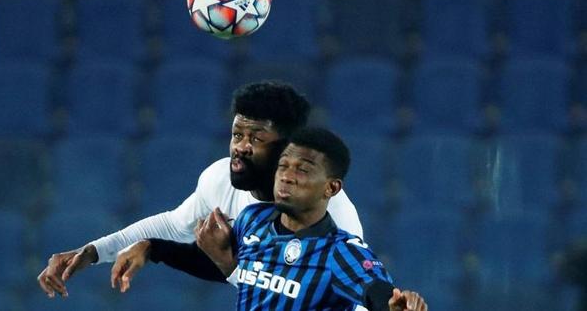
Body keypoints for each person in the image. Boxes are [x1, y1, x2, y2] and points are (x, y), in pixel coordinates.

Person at [37, 81, 363, 298]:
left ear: (287, 147)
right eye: (237, 135)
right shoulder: (219, 180)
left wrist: (226, 265)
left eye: (257, 138)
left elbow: (349, 297)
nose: (241, 148)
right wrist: (92, 252)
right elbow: (174, 225)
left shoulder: (331, 215)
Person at [112, 127, 427, 310]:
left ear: (331, 187)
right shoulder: (253, 220)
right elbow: (220, 263)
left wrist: (395, 306)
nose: (287, 177)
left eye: (302, 169)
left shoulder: (341, 252)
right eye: (283, 166)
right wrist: (152, 248)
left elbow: (376, 292)